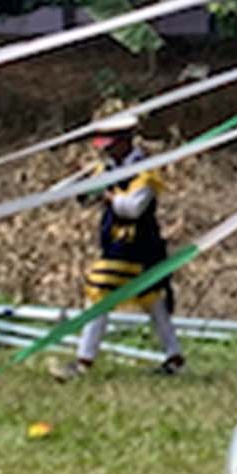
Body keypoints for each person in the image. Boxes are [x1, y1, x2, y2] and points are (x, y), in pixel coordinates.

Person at [56, 109, 186, 380]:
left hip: (137, 248)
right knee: (154, 304)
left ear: (126, 142)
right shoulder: (105, 170)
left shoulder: (145, 172)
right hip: (115, 245)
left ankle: (83, 362)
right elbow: (78, 195)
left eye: (111, 147)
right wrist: (80, 185)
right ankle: (174, 358)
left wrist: (108, 196)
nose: (107, 153)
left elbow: (133, 208)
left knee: (99, 295)